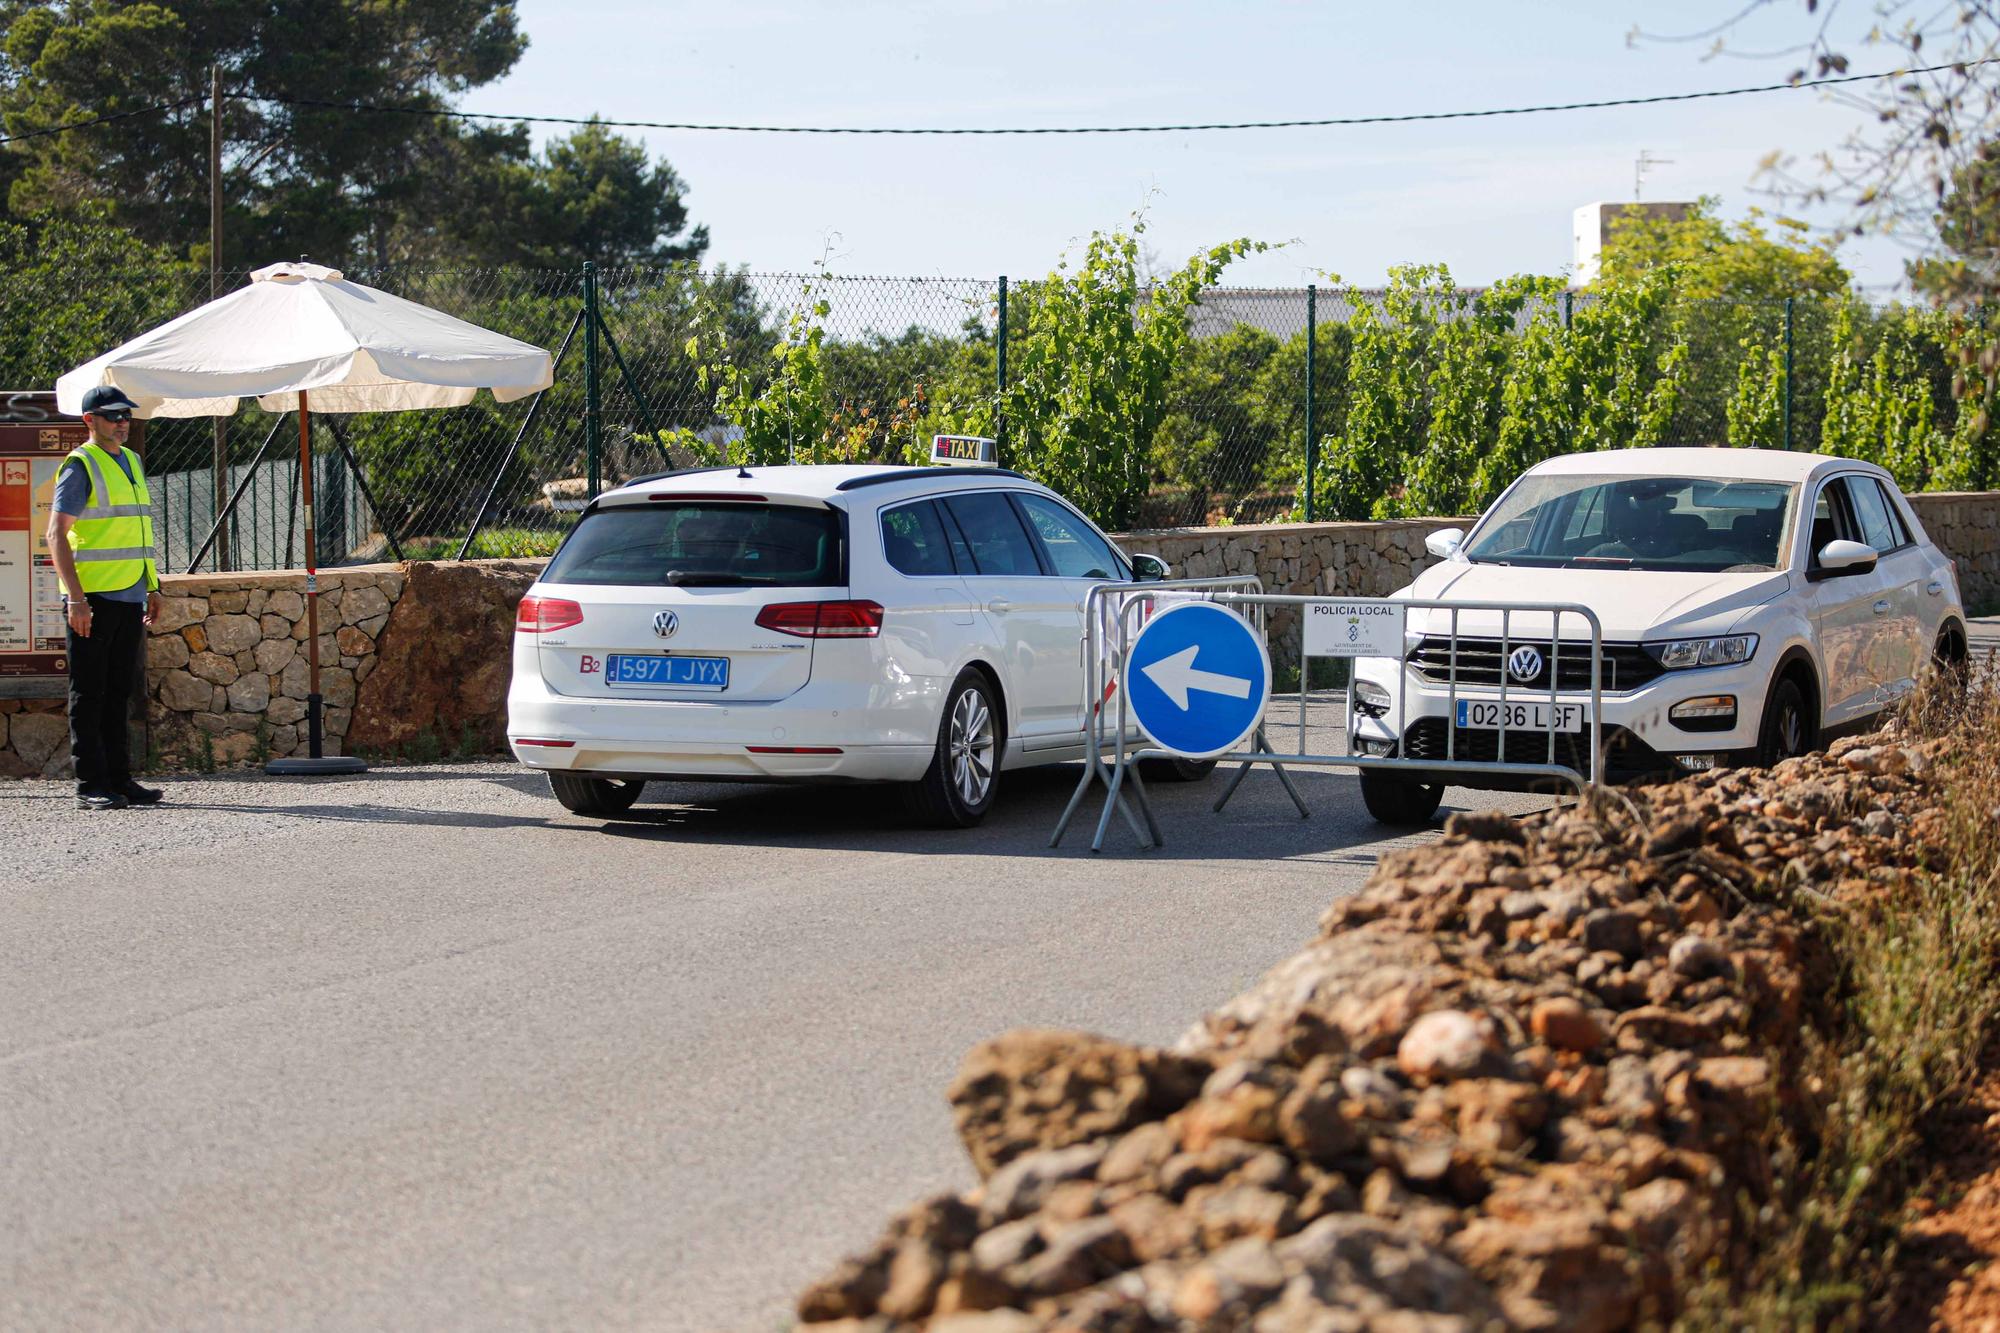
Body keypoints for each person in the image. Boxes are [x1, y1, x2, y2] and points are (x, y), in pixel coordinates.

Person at [45, 385, 164, 810]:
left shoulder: (131, 460)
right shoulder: (81, 464)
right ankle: (90, 784)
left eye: (126, 415)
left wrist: (151, 587)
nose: (122, 422)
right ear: (89, 421)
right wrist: (76, 599)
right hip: (92, 599)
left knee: (118, 693)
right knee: (89, 693)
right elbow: (55, 533)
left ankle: (120, 780)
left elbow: (138, 533)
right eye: (112, 415)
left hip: (130, 594)